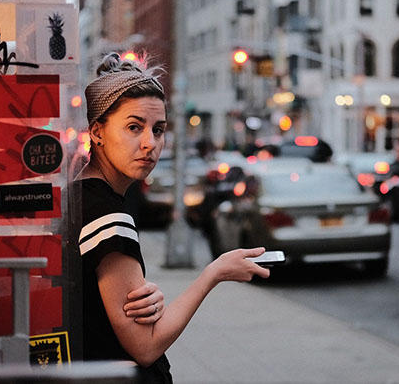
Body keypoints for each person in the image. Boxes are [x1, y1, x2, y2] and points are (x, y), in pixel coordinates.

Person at [73, 52, 270, 383]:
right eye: (134, 127)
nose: (150, 143)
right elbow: (145, 345)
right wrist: (214, 273)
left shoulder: (82, 194)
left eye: (159, 129)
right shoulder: (106, 216)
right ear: (97, 132)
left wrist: (144, 291)